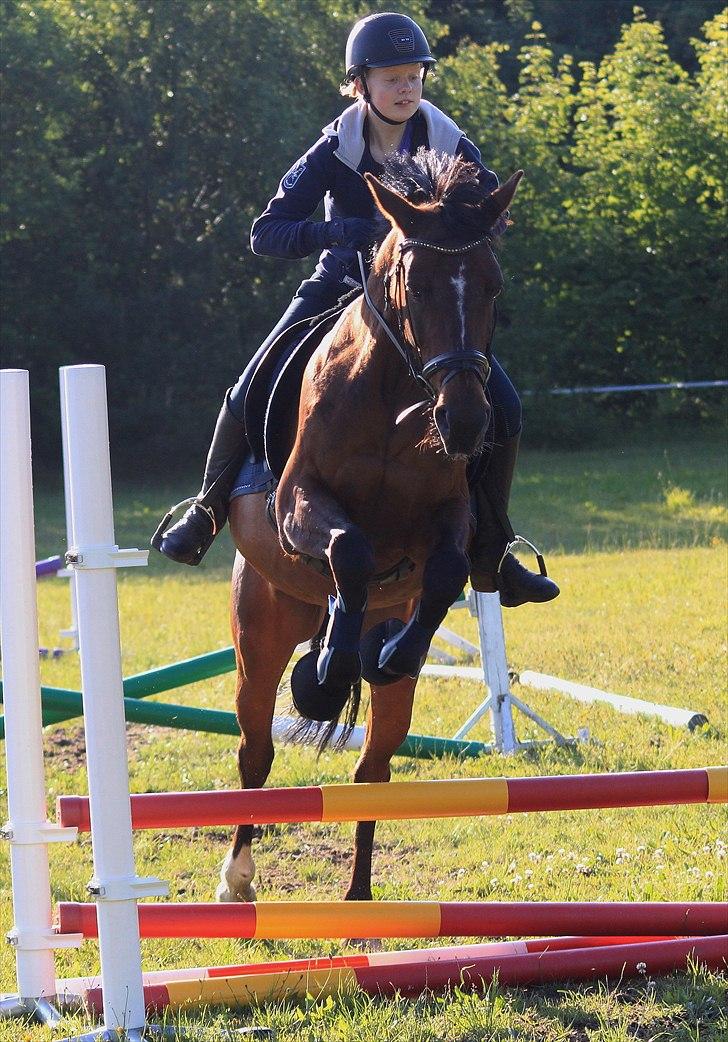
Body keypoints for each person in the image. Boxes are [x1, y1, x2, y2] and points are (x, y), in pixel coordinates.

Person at [154, 11, 559, 608]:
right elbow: (266, 232)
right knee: (247, 387)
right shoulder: (333, 147)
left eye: (414, 75)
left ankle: (494, 546)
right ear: (360, 84)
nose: (406, 88)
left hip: (420, 304)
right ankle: (209, 509)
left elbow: (490, 217)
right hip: (339, 287)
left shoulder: (452, 142)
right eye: (391, 77)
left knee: (507, 406)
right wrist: (346, 230)